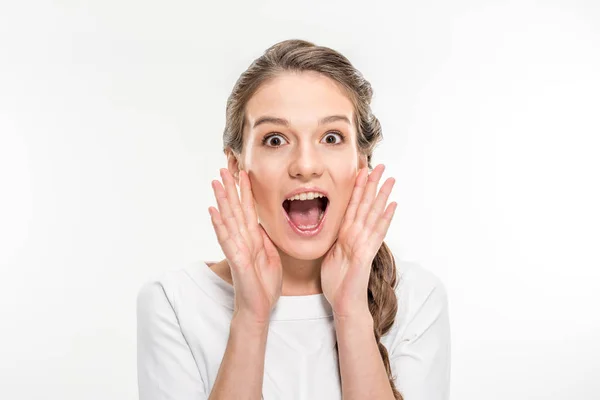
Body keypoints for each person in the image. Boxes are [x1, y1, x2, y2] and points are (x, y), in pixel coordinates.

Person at [136, 39, 451, 400]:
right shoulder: (174, 302)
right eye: (275, 140)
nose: (305, 165)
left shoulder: (418, 298)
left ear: (362, 161)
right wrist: (251, 317)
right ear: (238, 167)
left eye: (331, 137)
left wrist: (351, 314)